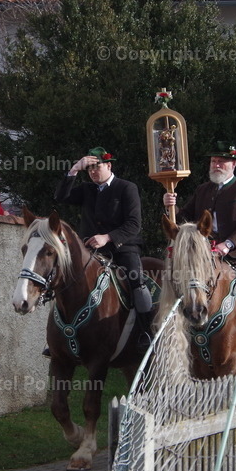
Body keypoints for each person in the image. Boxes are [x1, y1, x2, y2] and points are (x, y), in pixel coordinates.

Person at [163, 141, 236, 352]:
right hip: (206, 252)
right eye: (213, 161)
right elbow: (183, 218)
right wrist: (170, 205)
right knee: (183, 276)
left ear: (233, 164)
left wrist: (229, 244)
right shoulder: (203, 190)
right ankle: (177, 325)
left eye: (222, 162)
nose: (216, 165)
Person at [57, 147, 153, 351]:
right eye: (89, 169)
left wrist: (107, 237)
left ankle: (146, 332)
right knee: (64, 279)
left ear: (109, 166)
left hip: (122, 248)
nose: (92, 172)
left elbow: (134, 224)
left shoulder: (126, 188)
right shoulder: (86, 189)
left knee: (137, 281)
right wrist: (74, 170)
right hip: (91, 250)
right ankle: (63, 334)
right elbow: (61, 197)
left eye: (96, 167)